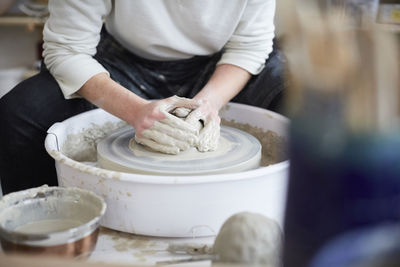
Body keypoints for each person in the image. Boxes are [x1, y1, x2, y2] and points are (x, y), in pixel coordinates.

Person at [0, 0, 285, 194]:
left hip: (219, 66)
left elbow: (250, 45)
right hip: (120, 63)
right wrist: (134, 111)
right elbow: (66, 49)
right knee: (19, 114)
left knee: (301, 103)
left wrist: (208, 103)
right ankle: (51, 233)